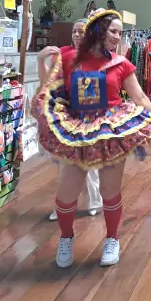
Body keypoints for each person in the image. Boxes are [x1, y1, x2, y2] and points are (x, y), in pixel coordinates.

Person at [33, 8, 151, 269]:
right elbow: (49, 89)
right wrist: (41, 67)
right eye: (113, 31)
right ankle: (66, 237)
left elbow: (139, 96)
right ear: (99, 30)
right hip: (77, 131)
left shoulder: (121, 63)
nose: (117, 37)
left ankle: (112, 239)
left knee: (109, 191)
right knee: (66, 194)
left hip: (110, 131)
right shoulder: (68, 58)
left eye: (120, 33)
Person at [37, 19, 102, 221]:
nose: (77, 35)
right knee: (64, 163)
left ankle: (94, 201)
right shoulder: (63, 54)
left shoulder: (95, 55)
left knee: (87, 162)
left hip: (87, 113)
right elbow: (46, 82)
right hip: (63, 113)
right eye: (75, 31)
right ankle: (63, 206)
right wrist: (40, 60)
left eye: (81, 31)